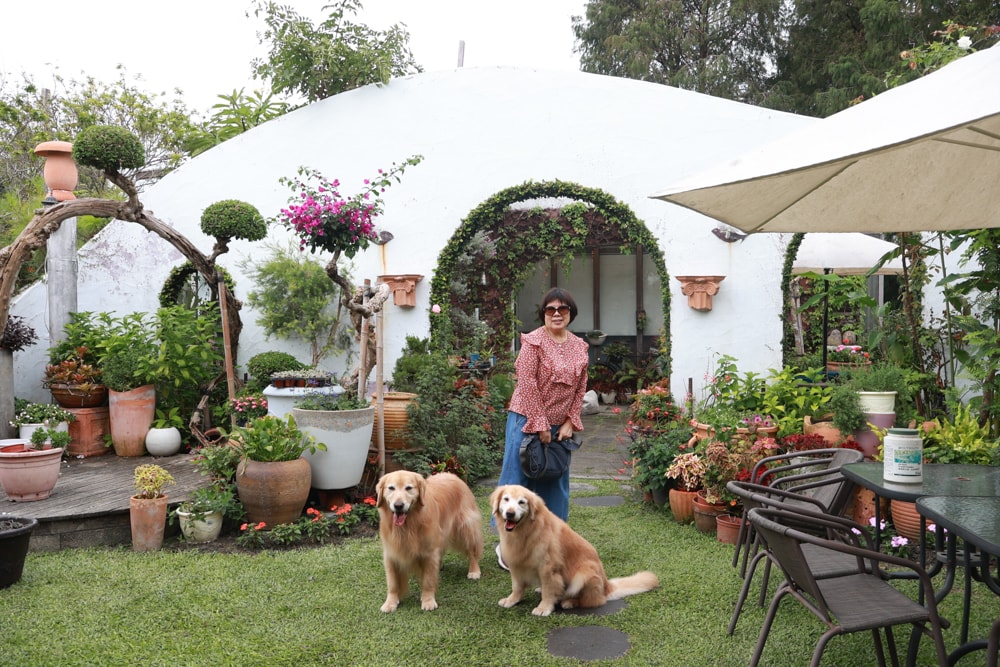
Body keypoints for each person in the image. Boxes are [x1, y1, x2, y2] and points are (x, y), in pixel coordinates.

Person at [494, 287, 589, 568]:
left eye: (562, 309)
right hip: (526, 420)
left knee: (555, 483)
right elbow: (527, 384)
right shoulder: (533, 342)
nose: (556, 314)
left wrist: (571, 421)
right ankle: (506, 547)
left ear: (570, 313)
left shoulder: (580, 346)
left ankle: (552, 542)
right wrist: (540, 423)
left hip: (560, 426)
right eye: (550, 309)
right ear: (543, 314)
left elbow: (581, 385)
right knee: (517, 482)